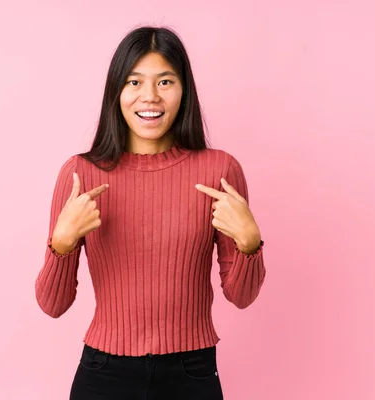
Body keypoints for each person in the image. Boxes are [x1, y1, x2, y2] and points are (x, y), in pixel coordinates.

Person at [35, 25, 266, 400]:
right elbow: (52, 305)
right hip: (104, 374)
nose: (150, 97)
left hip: (192, 373)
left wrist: (250, 242)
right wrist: (61, 244)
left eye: (165, 82)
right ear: (116, 91)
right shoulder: (80, 174)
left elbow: (241, 296)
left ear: (184, 90)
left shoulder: (219, 171)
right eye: (134, 82)